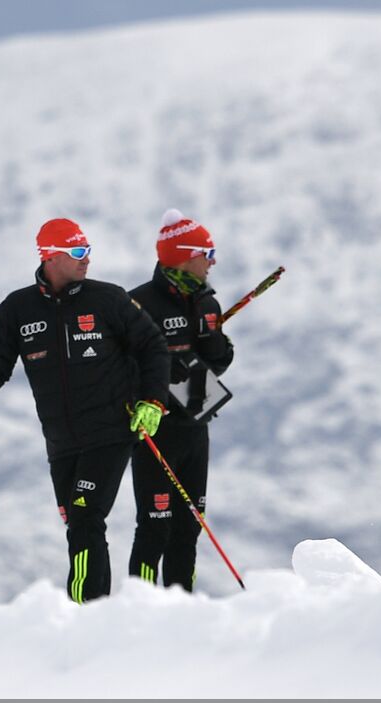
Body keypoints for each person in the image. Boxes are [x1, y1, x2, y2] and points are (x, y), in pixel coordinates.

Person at [0, 218, 168, 604]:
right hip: (61, 442)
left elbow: (153, 347)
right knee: (77, 523)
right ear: (50, 257)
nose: (86, 259)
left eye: (88, 250)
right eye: (78, 252)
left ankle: (84, 611)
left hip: (111, 431)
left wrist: (152, 400)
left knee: (85, 518)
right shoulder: (18, 308)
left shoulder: (108, 299)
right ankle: (98, 612)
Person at [127, 210, 234, 590]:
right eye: (209, 252)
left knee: (188, 530)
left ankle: (181, 610)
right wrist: (160, 368)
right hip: (155, 434)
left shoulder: (207, 303)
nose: (213, 261)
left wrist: (216, 346)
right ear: (188, 255)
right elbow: (117, 367)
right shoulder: (137, 304)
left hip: (195, 429)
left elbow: (217, 361)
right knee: (155, 529)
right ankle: (137, 607)